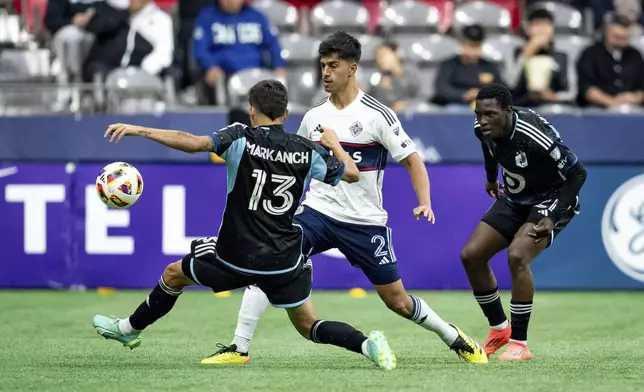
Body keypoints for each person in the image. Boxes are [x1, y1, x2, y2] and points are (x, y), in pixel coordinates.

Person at [203, 31, 488, 366]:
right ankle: (239, 348)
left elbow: (413, 160)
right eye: (322, 65)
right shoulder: (313, 118)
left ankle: (453, 337)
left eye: (333, 65)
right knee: (270, 261)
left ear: (352, 68)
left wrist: (424, 200)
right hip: (317, 212)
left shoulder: (376, 114)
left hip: (364, 221)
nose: (325, 72)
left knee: (397, 301)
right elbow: (293, 162)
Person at [91, 79, 398, 371]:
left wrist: (139, 130)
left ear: (252, 111)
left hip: (235, 256)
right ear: (286, 114)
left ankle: (128, 329)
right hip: (284, 260)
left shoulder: (240, 137)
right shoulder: (307, 150)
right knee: (308, 325)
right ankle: (367, 345)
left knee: (174, 275)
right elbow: (352, 174)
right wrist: (335, 145)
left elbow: (193, 143)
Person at [461, 83, 587, 360]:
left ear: (508, 111)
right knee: (471, 255)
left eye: (490, 114)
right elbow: (488, 147)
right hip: (516, 198)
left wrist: (553, 215)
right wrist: (492, 177)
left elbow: (578, 173)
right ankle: (499, 329)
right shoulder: (481, 128)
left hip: (551, 197)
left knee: (518, 256)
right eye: (478, 114)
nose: (482, 121)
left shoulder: (533, 135)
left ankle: (519, 343)